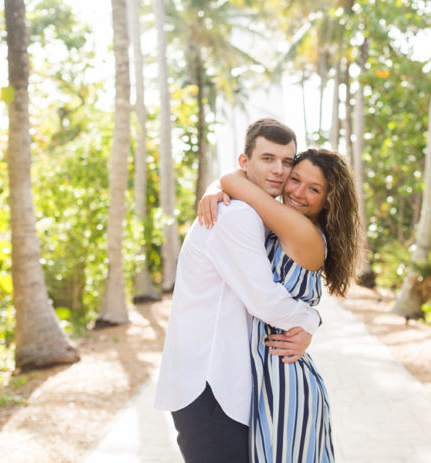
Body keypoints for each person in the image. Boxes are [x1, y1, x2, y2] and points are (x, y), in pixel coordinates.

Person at [154, 119, 323, 463]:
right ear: (244, 162)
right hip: (210, 386)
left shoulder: (254, 211)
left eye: (287, 161)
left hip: (222, 386)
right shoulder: (237, 215)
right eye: (267, 158)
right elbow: (265, 300)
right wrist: (310, 320)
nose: (279, 170)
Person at [198, 148, 361, 462]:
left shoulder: (301, 231)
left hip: (285, 381)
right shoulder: (283, 224)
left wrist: (217, 189)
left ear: (328, 200)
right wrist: (218, 192)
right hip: (270, 373)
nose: (298, 193)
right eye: (295, 179)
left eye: (313, 189)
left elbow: (233, 179)